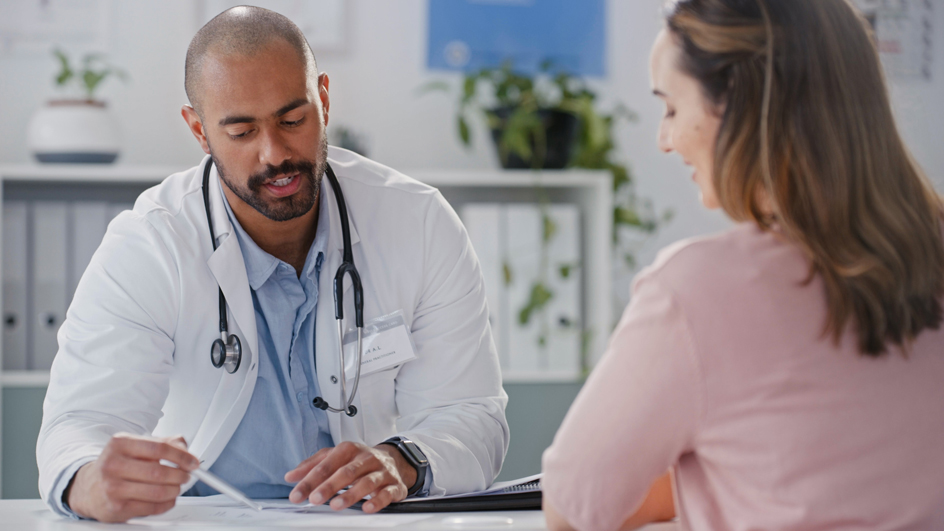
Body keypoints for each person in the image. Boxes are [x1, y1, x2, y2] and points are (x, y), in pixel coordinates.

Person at [37, 6, 509, 523]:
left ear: (323, 100)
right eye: (241, 132)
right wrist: (89, 481)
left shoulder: (418, 223)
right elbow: (79, 422)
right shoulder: (151, 243)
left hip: (363, 519)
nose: (274, 154)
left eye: (293, 120)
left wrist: (404, 461)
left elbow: (472, 415)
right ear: (199, 131)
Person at [542, 0, 944, 529]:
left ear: (739, 107)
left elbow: (572, 507)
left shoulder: (695, 289)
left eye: (670, 108)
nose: (666, 141)